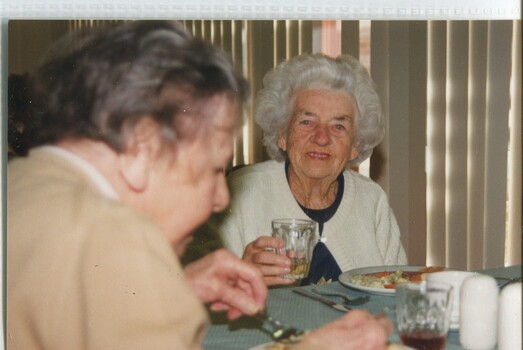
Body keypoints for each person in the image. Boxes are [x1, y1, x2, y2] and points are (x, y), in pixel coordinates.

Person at [7, 21, 392, 350]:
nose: (222, 195)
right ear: (142, 148)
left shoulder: (26, 184)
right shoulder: (112, 247)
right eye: (211, 170)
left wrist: (180, 287)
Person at [218, 53, 408, 286]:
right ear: (282, 135)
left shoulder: (372, 201)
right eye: (306, 122)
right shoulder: (239, 194)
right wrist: (237, 279)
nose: (321, 138)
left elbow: (398, 291)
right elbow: (193, 301)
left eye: (338, 126)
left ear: (355, 146)